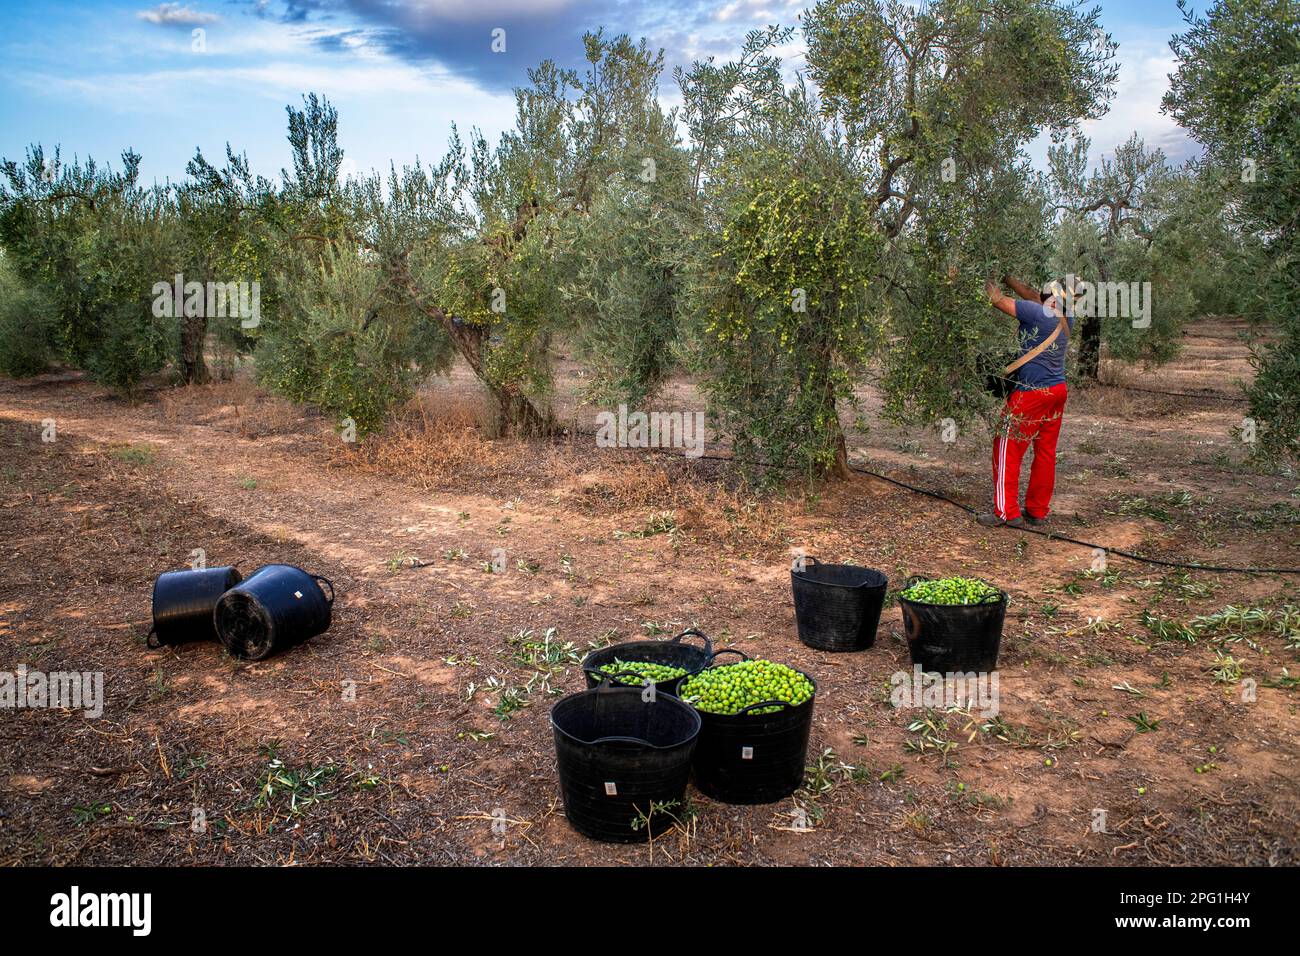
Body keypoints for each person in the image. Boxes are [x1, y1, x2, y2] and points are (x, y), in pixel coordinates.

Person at [978, 275, 1073, 528]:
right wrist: (1010, 277)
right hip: (1057, 392)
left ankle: (1006, 512)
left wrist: (984, 274)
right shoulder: (1066, 318)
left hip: (1031, 393)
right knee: (1045, 453)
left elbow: (996, 299)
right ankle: (1037, 511)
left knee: (1006, 447)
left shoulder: (1036, 313)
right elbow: (1032, 296)